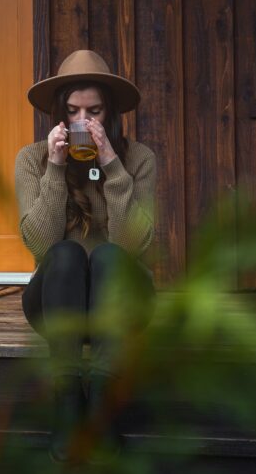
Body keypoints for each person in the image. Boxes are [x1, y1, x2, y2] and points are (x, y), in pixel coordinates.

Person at [14, 49, 157, 463]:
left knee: (111, 257)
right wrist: (55, 167)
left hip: (122, 307)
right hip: (58, 308)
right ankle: (67, 402)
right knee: (64, 254)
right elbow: (39, 246)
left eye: (93, 111)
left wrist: (112, 164)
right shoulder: (33, 158)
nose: (83, 122)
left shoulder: (138, 159)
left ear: (109, 113)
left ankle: (101, 406)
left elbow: (134, 246)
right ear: (60, 114)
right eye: (74, 111)